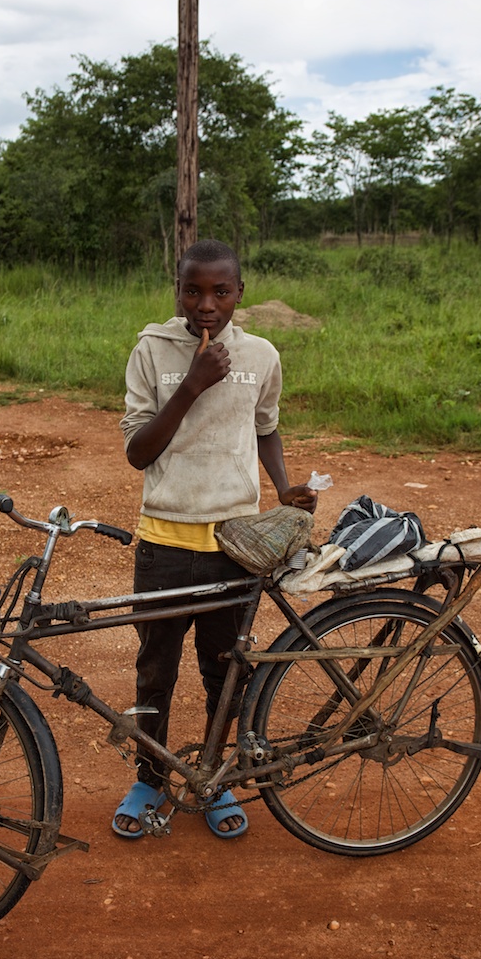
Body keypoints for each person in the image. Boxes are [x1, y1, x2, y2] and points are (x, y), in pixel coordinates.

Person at [114, 238, 318, 839]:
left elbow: (266, 428)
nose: (207, 305)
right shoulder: (152, 350)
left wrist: (281, 487)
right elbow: (137, 451)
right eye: (193, 291)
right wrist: (192, 385)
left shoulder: (261, 354)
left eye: (220, 292)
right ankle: (151, 777)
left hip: (235, 545)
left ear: (239, 294)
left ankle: (213, 775)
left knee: (225, 670)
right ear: (177, 291)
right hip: (165, 543)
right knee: (156, 669)